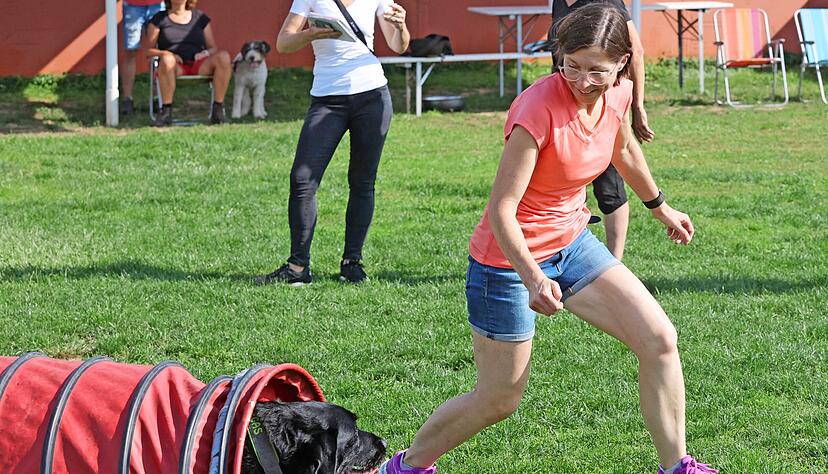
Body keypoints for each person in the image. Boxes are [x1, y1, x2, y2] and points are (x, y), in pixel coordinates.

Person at [380, 5, 717, 474]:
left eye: (595, 70)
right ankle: (405, 466)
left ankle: (676, 466)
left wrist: (659, 206)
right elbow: (502, 210)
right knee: (499, 397)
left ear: (622, 63)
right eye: (571, 65)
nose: (581, 81)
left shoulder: (618, 92)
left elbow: (621, 148)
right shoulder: (536, 109)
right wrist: (533, 277)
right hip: (507, 261)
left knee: (659, 339)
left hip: (572, 241)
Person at [254, 0, 410, 285]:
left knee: (362, 181)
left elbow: (398, 45)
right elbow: (284, 43)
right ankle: (297, 267)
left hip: (372, 96)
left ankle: (352, 262)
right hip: (327, 99)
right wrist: (310, 34)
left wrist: (401, 27)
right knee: (302, 179)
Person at [549, 0, 655, 260]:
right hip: (563, 104)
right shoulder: (558, 3)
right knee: (563, 179)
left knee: (609, 182)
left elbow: (636, 51)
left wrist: (637, 106)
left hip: (600, 101)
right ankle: (563, 252)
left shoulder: (608, 3)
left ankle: (614, 261)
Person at [145, 0, 232, 126]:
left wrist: (205, 54)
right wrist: (166, 54)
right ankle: (166, 111)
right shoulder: (160, 18)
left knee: (223, 57)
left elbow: (213, 48)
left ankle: (218, 110)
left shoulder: (200, 17)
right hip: (174, 66)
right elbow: (148, 50)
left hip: (199, 64)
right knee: (167, 60)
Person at [120, 0, 165, 116]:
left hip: (157, 4)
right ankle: (127, 99)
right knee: (131, 50)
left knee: (157, 52)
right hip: (132, 5)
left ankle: (157, 98)